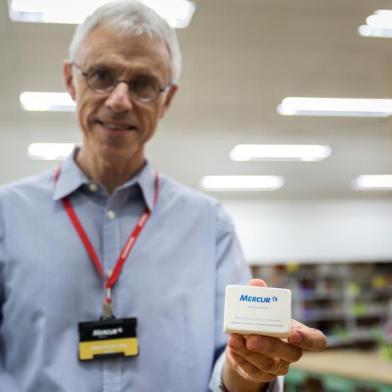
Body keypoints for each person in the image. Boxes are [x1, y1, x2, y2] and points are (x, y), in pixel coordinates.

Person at [0, 1, 326, 391]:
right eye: (101, 75)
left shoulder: (209, 226)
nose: (120, 100)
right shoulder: (7, 217)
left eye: (143, 84)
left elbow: (230, 362)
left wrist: (247, 366)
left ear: (166, 99)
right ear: (71, 80)